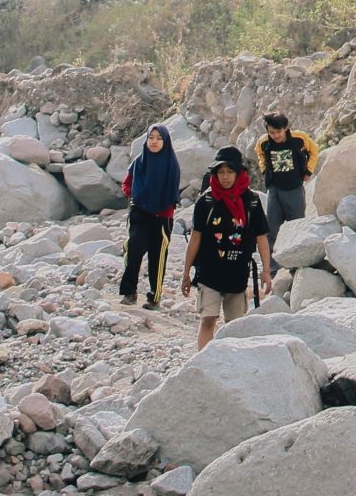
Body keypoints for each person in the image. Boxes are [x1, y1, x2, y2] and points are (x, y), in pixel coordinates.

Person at [180, 146, 273, 351]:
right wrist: (186, 273)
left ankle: (233, 365)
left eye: (230, 171)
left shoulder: (251, 201)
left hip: (238, 274)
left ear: (239, 173)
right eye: (220, 172)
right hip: (209, 272)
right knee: (208, 320)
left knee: (235, 326)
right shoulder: (206, 201)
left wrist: (266, 271)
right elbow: (196, 238)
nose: (225, 177)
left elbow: (261, 238)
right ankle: (203, 362)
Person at [117, 124, 179, 308]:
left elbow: (172, 190)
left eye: (159, 138)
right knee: (134, 249)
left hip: (162, 216)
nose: (154, 142)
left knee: (158, 257)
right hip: (139, 213)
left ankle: (155, 296)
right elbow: (127, 183)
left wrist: (163, 205)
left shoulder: (171, 163)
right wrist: (135, 195)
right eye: (151, 137)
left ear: (165, 141)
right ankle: (129, 292)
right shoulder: (140, 161)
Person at [254, 113, 317, 237]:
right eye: (272, 132)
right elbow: (260, 154)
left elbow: (314, 151)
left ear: (286, 128)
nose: (276, 135)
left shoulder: (299, 138)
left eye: (278, 131)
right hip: (274, 188)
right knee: (271, 226)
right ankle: (270, 255)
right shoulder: (264, 142)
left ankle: (297, 254)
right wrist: (264, 169)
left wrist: (308, 171)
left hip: (294, 188)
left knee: (297, 225)